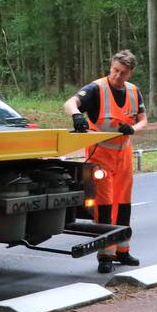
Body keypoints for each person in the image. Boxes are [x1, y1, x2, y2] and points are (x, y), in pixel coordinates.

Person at [64, 49, 147, 274]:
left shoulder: (134, 92)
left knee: (123, 205)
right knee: (105, 206)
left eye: (122, 73)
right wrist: (77, 115)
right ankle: (105, 255)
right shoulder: (96, 89)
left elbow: (143, 120)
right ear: (111, 66)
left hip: (124, 157)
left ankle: (123, 250)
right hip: (100, 156)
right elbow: (70, 103)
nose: (117, 76)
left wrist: (133, 128)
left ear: (130, 73)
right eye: (114, 70)